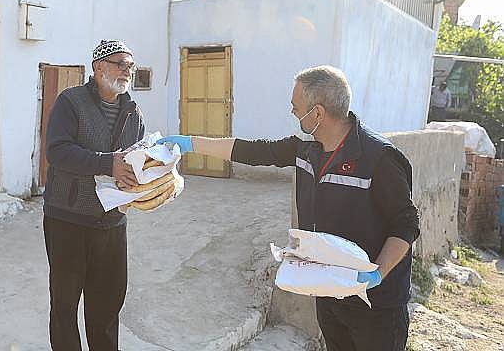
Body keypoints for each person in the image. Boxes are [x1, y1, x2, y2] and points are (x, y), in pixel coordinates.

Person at [158, 65, 420, 351]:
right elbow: (253, 151)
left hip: (376, 303)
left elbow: (405, 225)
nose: (293, 112)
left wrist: (377, 274)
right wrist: (190, 144)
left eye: (296, 107)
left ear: (318, 113)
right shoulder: (308, 148)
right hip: (330, 289)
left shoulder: (379, 158)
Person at [43, 40, 144, 350]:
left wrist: (150, 181)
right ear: (98, 67)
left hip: (112, 224)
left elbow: (137, 157)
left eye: (131, 66)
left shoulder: (133, 112)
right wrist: (106, 163)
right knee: (65, 307)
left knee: (106, 309)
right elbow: (57, 151)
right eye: (120, 64)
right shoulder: (70, 102)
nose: (127, 71)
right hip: (68, 220)